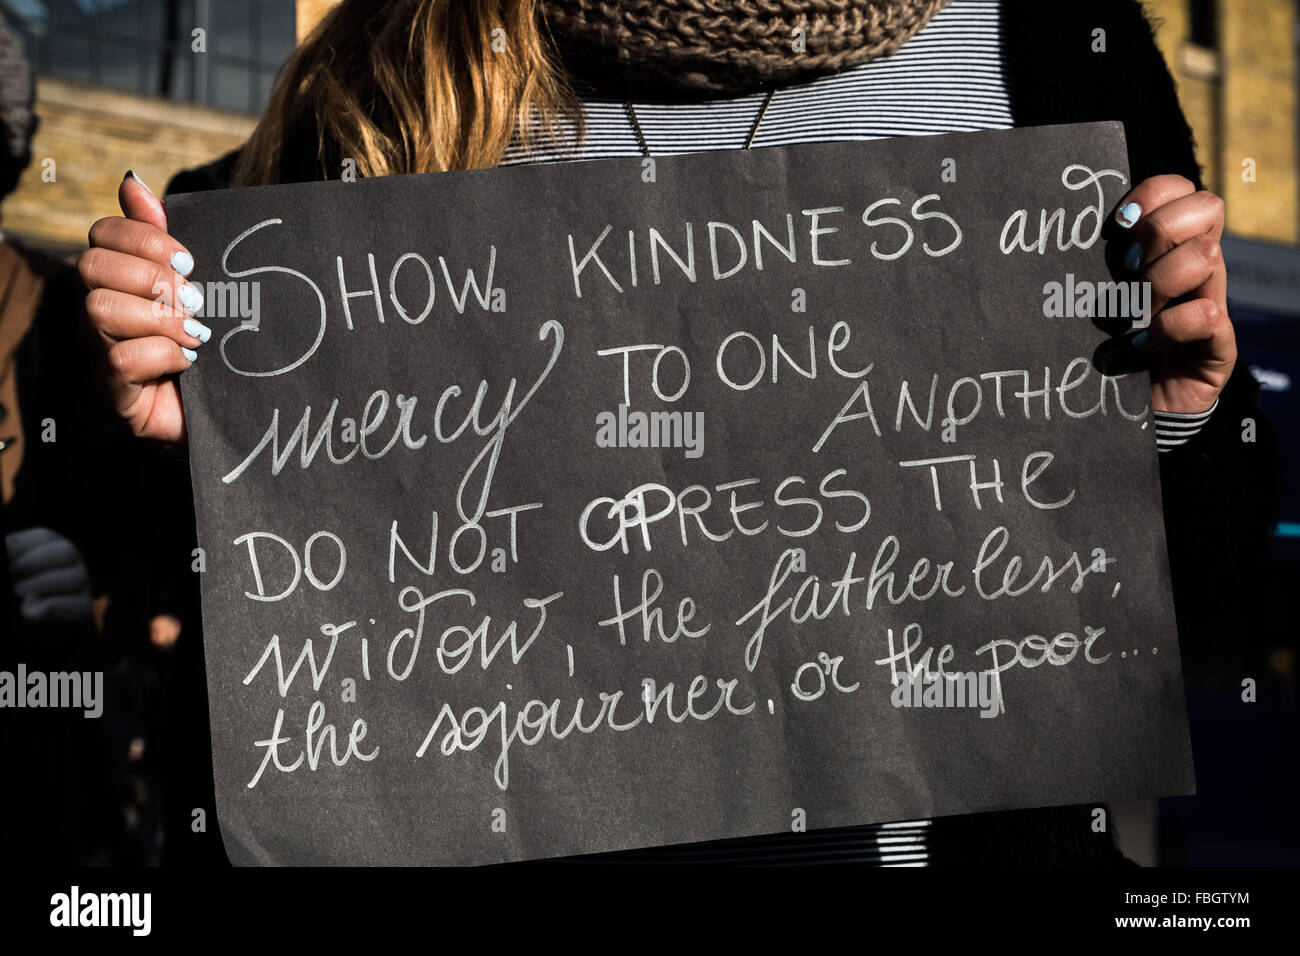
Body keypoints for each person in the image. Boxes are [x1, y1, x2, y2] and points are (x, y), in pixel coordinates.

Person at [75, 0, 1280, 864]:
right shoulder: (409, 56)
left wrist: (1176, 418)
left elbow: (1203, 579)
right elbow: (221, 546)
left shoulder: (1051, 33)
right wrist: (170, 423)